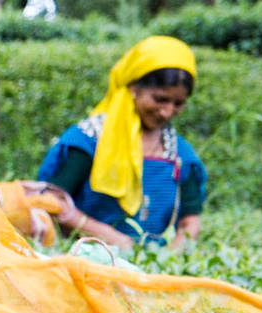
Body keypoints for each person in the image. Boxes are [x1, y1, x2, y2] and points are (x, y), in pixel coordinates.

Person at [39, 36, 207, 250]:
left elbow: (190, 220)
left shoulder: (180, 153)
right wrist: (109, 237)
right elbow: (53, 201)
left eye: (178, 103)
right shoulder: (88, 139)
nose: (167, 111)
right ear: (134, 87)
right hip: (87, 257)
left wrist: (171, 255)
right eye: (159, 99)